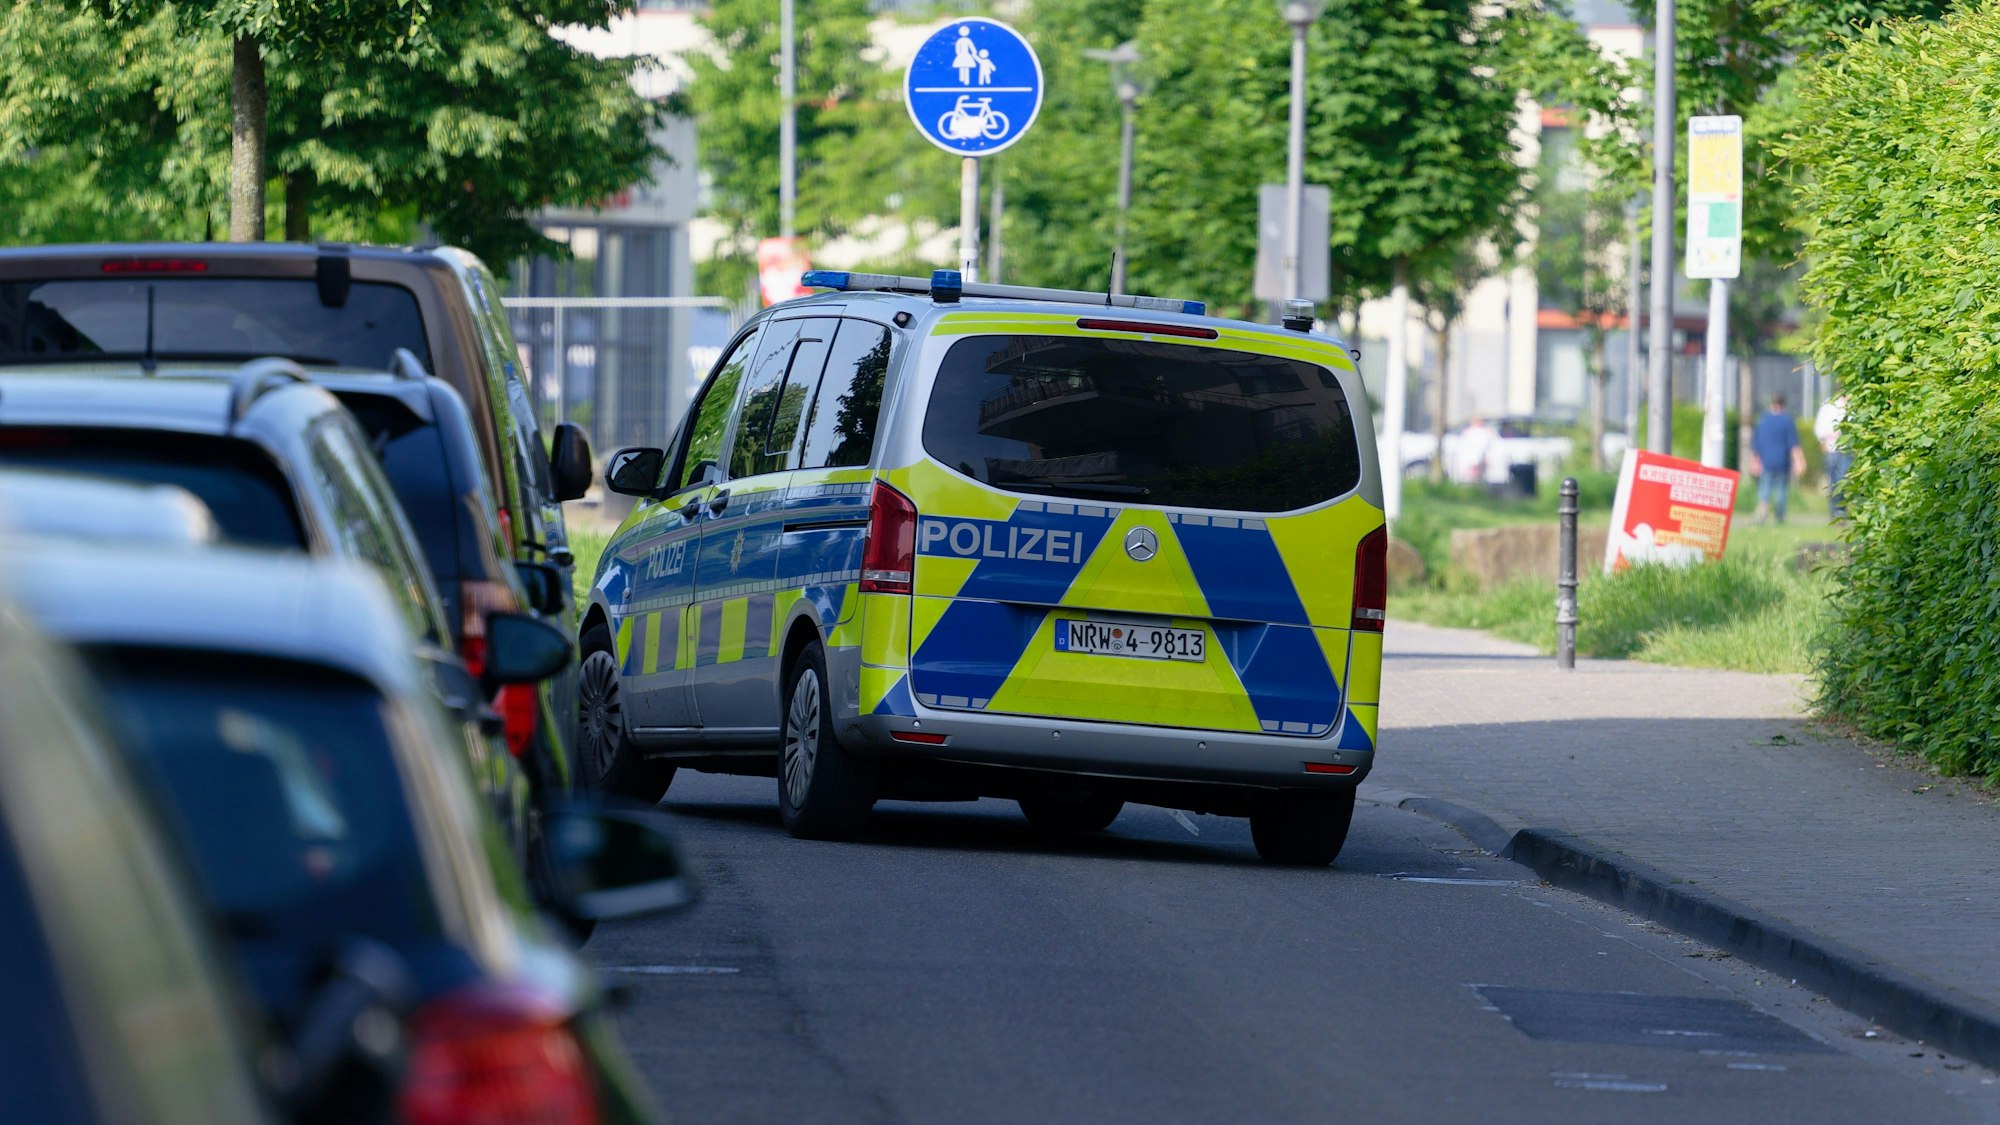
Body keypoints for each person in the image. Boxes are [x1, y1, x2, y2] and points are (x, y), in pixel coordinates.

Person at [1749, 394, 1807, 524]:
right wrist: (1799, 461)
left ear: (1771, 404)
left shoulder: (1763, 421)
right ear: (1783, 405)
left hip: (1766, 462)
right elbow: (1793, 445)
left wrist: (1754, 463)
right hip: (1782, 462)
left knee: (1765, 488)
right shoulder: (1787, 421)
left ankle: (1763, 509)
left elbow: (1756, 446)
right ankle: (1779, 516)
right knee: (1781, 490)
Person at [1815, 391, 1850, 519]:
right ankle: (1835, 511)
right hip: (1832, 449)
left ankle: (1840, 510)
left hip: (1846, 449)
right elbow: (1820, 428)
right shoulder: (1828, 406)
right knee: (1834, 481)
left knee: (1842, 479)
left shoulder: (1850, 406)